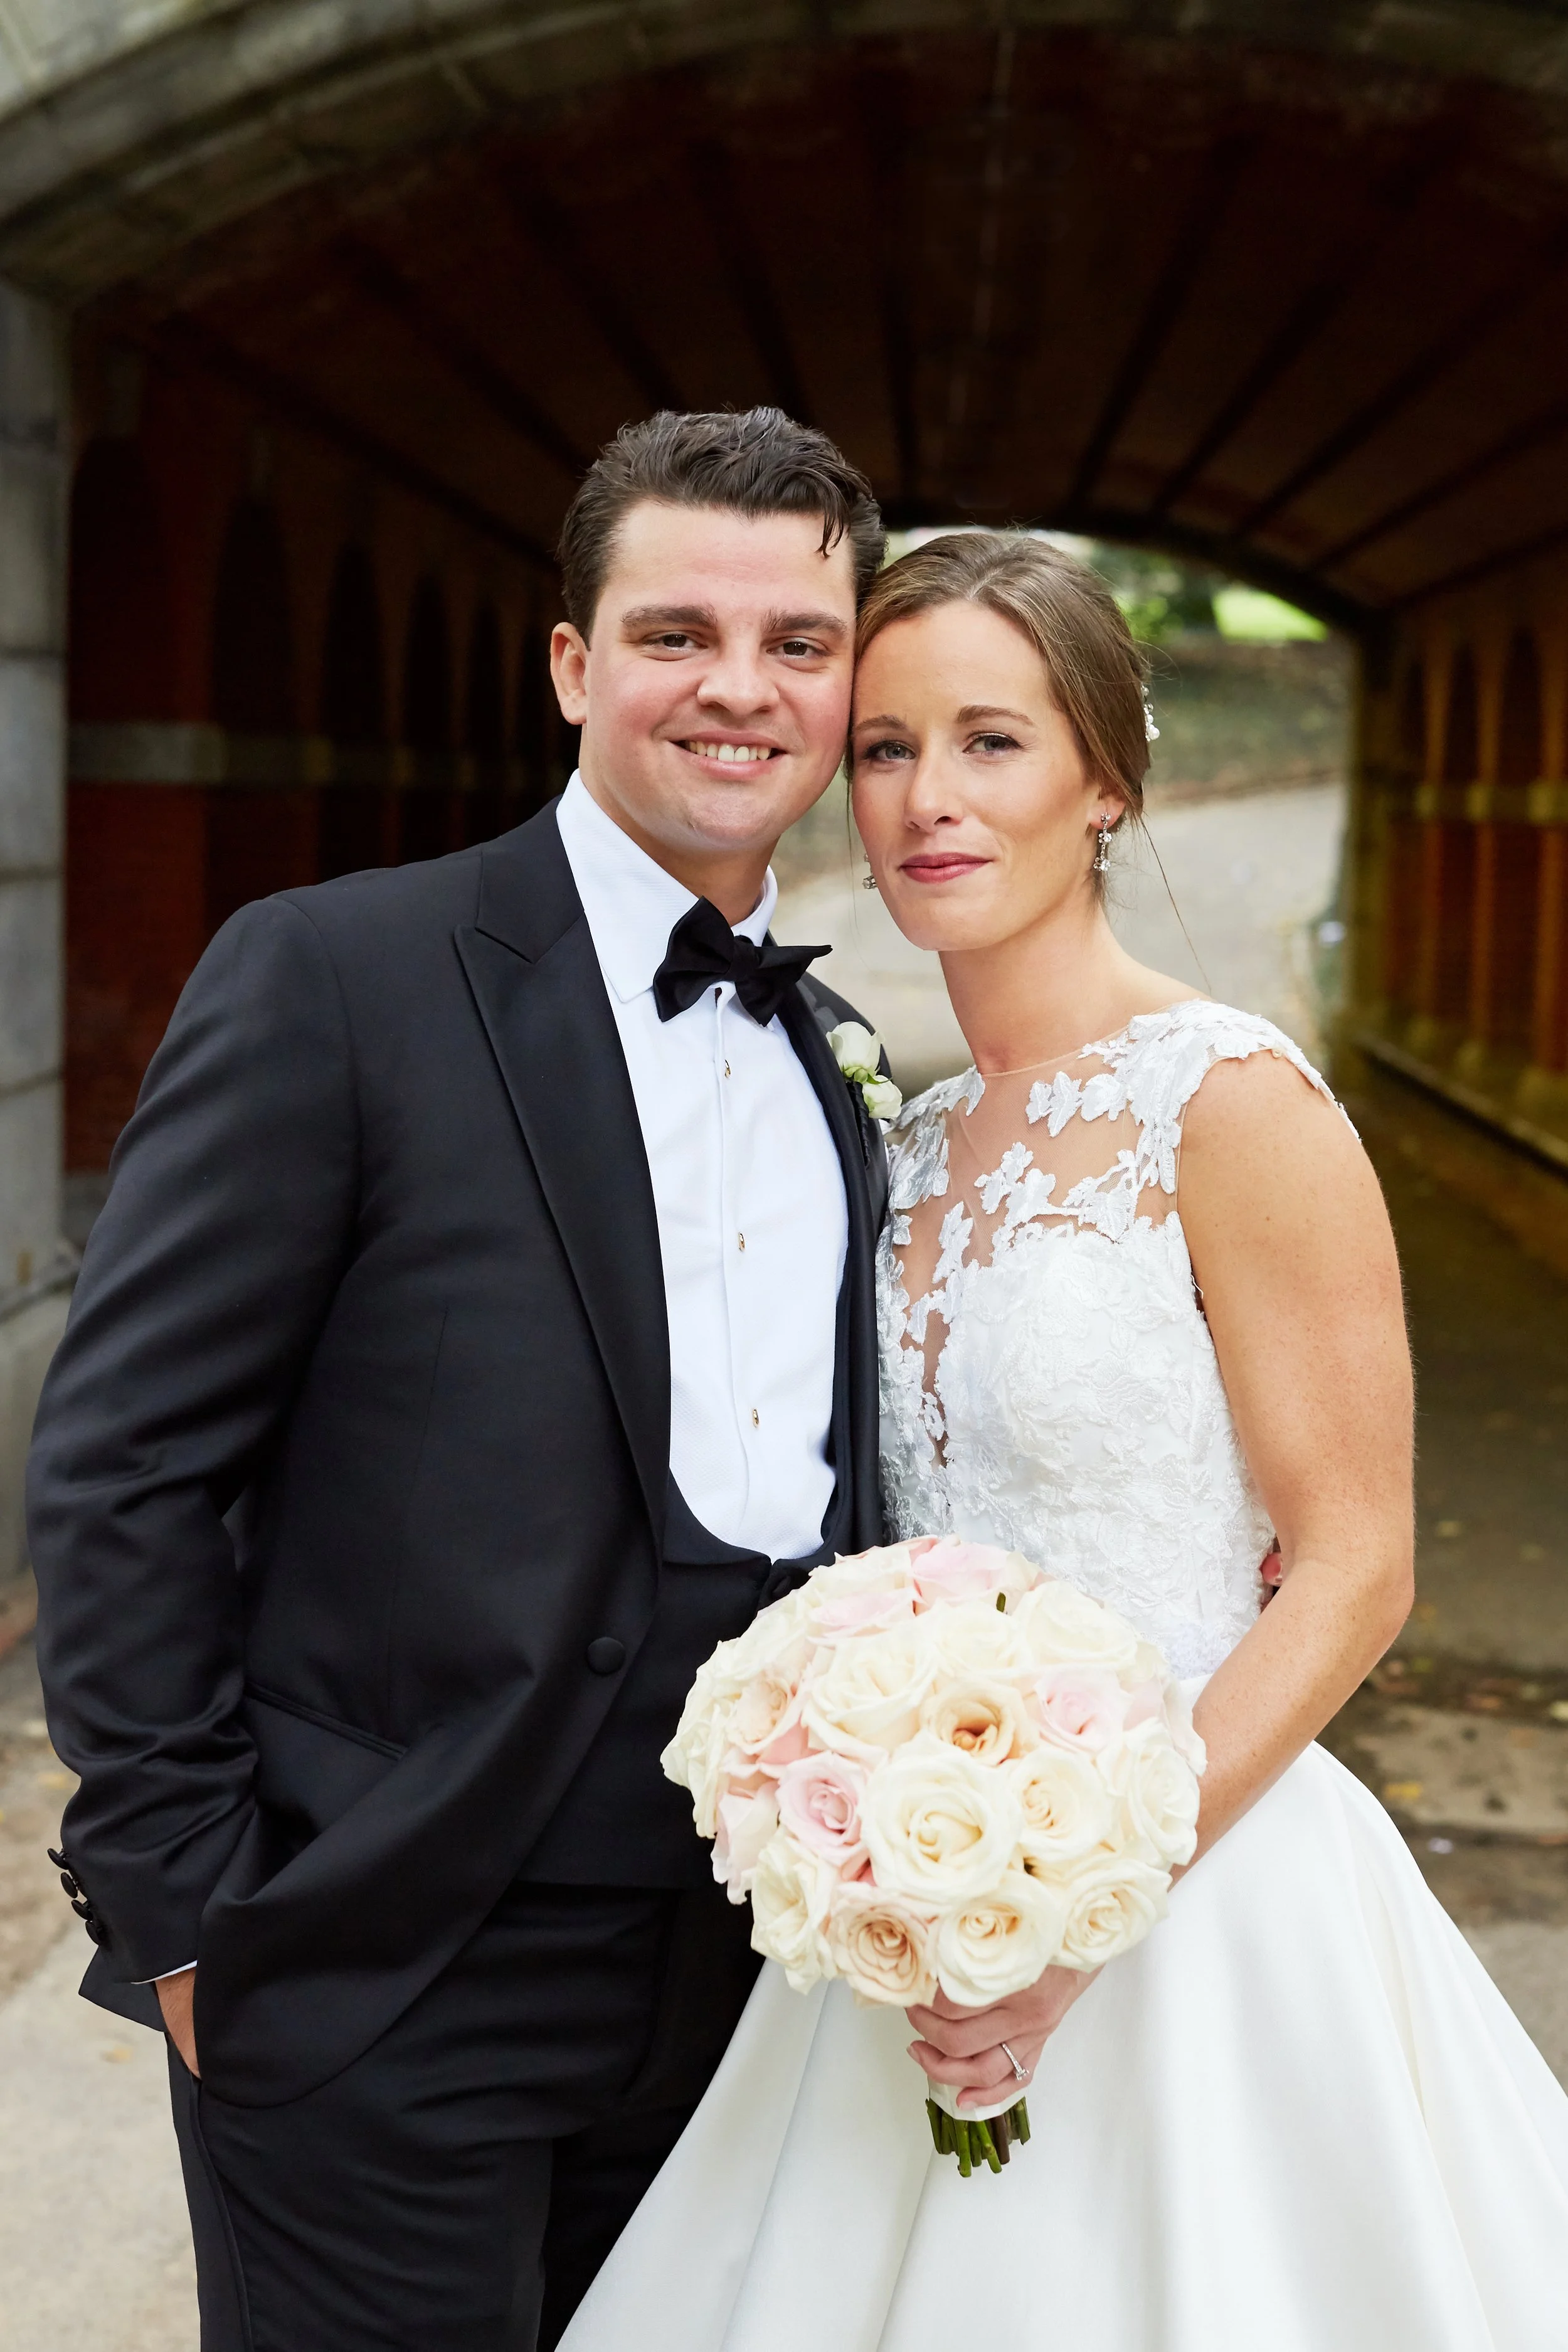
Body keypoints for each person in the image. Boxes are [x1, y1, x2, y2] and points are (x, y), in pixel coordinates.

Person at [559, 532, 1568, 2351]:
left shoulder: (1233, 1103)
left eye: (990, 741)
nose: (927, 800)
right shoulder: (904, 1133)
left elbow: (1355, 1563)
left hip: (1196, 1897)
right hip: (909, 1912)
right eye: (880, 747)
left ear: (1105, 777)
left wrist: (1084, 1895)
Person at [26, 406, 893, 2351]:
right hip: (383, 1950)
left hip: (741, 1972)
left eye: (797, 644)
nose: (737, 690)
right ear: (573, 663)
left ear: (845, 682)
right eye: (675, 632)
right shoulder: (337, 970)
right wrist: (184, 1915)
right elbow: (126, 1458)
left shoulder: (836, 1046)